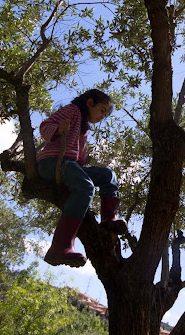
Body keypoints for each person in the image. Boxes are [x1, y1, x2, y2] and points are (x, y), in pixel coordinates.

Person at [37, 89, 126, 267]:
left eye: (106, 114)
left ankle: (109, 220)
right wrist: (57, 129)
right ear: (89, 102)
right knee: (86, 188)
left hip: (69, 166)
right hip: (51, 163)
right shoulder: (72, 110)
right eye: (102, 110)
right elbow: (45, 126)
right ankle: (60, 246)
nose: (103, 116)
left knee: (108, 175)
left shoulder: (83, 127)